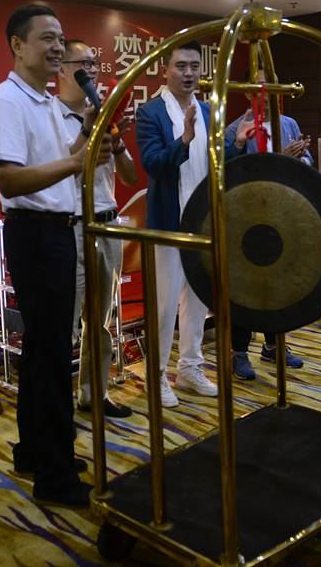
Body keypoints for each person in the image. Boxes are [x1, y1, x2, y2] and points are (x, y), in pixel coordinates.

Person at [0, 4, 112, 508]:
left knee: (43, 352)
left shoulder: (44, 101)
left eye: (61, 39)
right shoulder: (7, 100)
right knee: (54, 354)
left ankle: (34, 451)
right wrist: (77, 162)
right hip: (36, 234)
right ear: (17, 45)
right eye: (47, 39)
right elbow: (10, 178)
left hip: (55, 231)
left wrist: (88, 133)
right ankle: (56, 474)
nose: (58, 48)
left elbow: (64, 161)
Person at [135, 41, 251, 407]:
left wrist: (236, 145)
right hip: (168, 224)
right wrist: (183, 140)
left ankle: (189, 369)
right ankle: (156, 376)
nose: (188, 73)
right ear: (165, 70)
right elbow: (153, 164)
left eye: (194, 66)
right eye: (181, 66)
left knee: (198, 301)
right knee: (165, 306)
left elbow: (214, 161)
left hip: (203, 223)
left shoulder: (207, 110)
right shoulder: (150, 112)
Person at [56, 39, 137, 419]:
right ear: (61, 69)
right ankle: (58, 407)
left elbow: (131, 176)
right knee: (65, 325)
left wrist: (116, 140)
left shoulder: (106, 115)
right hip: (71, 226)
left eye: (94, 64)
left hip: (107, 227)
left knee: (100, 322)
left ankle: (94, 393)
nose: (90, 71)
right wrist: (87, 131)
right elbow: (56, 172)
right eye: (82, 63)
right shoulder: (51, 115)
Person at [224, 70, 309, 380]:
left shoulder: (289, 124)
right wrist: (280, 158)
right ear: (248, 93)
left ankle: (274, 345)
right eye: (260, 87)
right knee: (245, 287)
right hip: (248, 220)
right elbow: (232, 174)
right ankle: (239, 352)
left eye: (272, 86)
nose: (267, 92)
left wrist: (299, 158)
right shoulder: (235, 129)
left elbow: (308, 163)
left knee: (279, 285)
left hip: (283, 215)